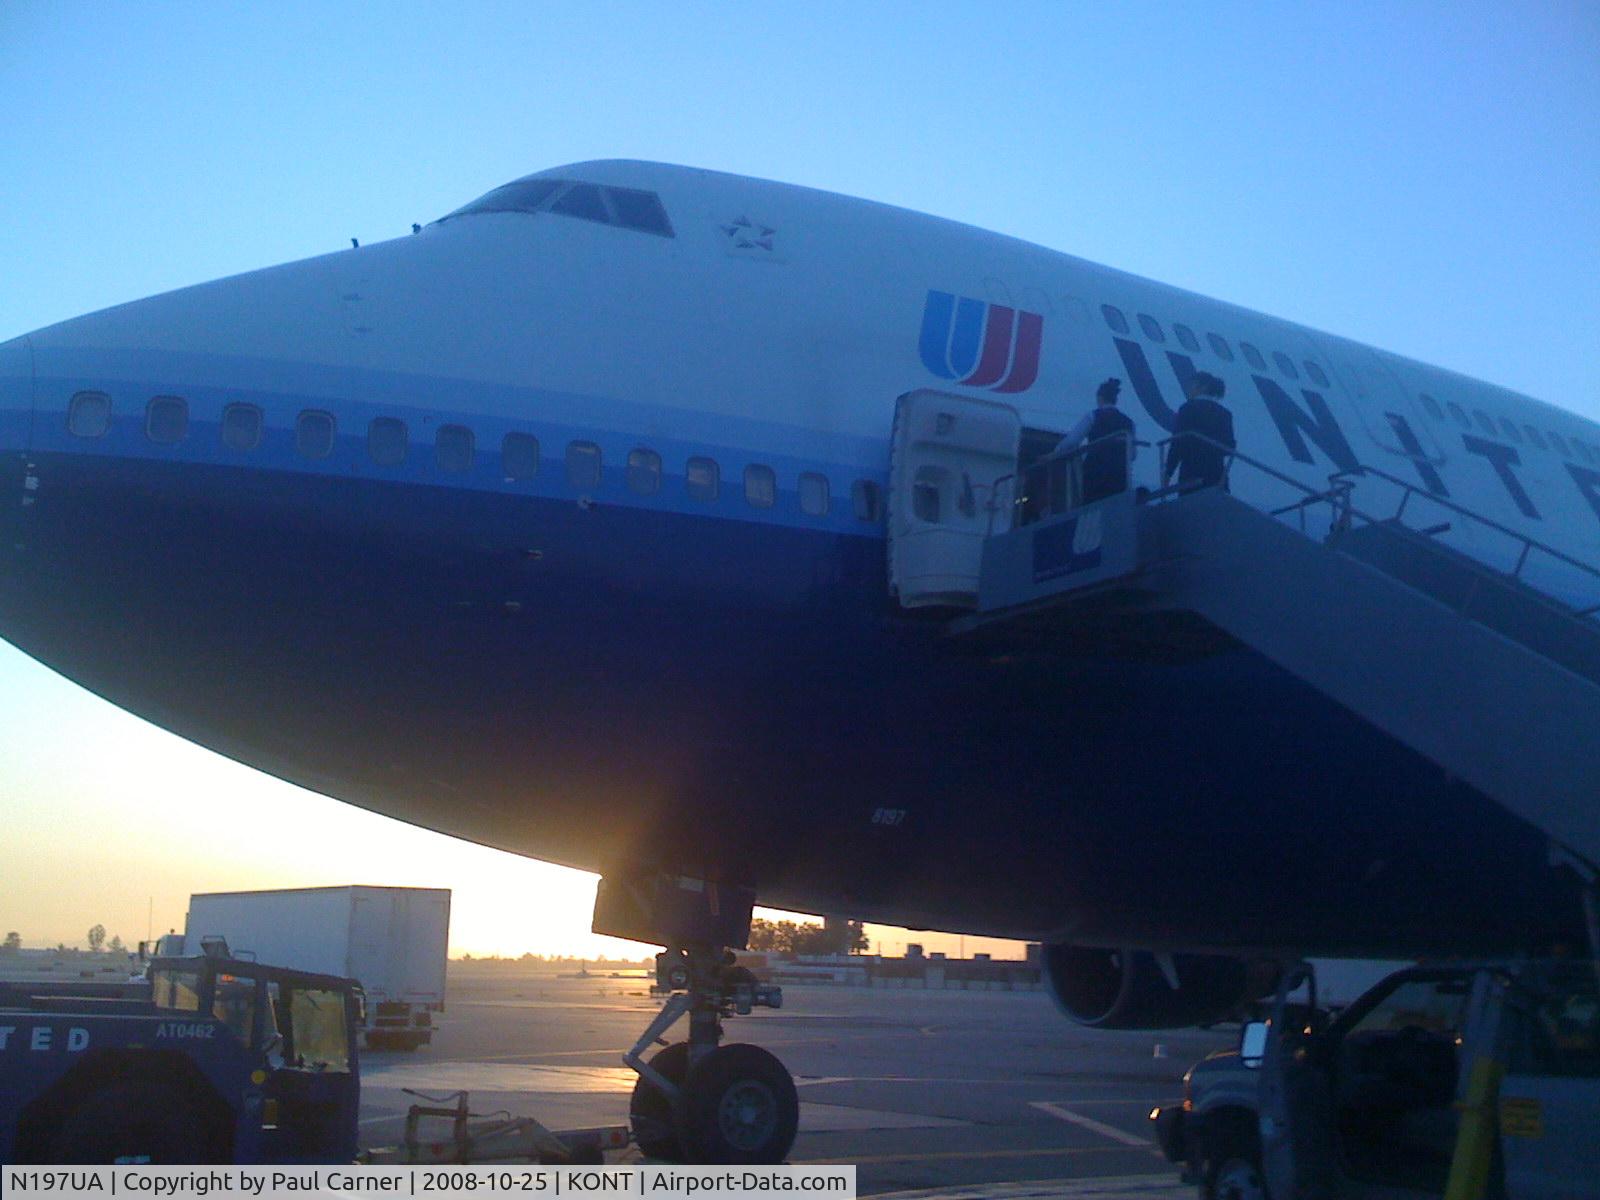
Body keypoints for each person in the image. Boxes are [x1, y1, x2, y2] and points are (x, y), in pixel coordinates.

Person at [1057, 377, 1136, 504]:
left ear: (1100, 398)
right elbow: (1132, 454)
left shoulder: (1093, 416)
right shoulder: (1129, 422)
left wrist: (1055, 453)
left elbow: (1072, 441)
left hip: (1095, 475)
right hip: (1120, 477)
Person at [1163, 371, 1235, 490]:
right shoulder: (1225, 413)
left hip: (1191, 471)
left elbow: (1177, 443)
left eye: (1192, 386)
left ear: (1203, 387)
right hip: (1217, 474)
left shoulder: (1188, 408)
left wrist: (1168, 472)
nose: (1189, 390)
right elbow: (1229, 446)